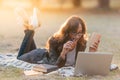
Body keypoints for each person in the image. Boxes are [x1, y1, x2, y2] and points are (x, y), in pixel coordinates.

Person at [16, 15, 99, 68]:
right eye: (74, 33)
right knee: (19, 58)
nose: (77, 36)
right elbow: (54, 65)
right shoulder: (54, 41)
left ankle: (29, 26)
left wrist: (92, 53)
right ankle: (29, 30)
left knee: (28, 47)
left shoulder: (82, 42)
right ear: (67, 32)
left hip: (40, 52)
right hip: (37, 56)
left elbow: (78, 65)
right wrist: (63, 53)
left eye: (80, 33)